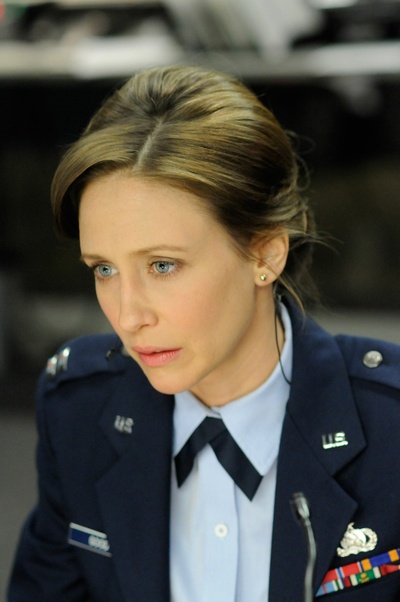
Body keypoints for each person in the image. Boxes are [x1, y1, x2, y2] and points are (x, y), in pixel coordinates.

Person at [7, 65, 400, 602]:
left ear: (265, 253)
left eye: (162, 265)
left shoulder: (389, 427)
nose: (127, 316)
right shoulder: (78, 409)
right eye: (104, 269)